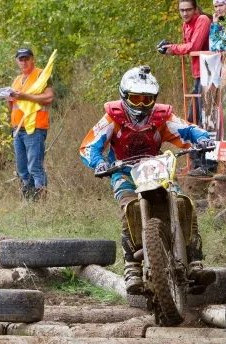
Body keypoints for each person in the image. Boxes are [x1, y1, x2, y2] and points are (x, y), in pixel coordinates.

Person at [80, 65, 215, 294]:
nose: (141, 105)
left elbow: (186, 129)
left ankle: (195, 261)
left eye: (147, 99)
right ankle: (132, 267)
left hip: (157, 169)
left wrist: (201, 138)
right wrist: (99, 163)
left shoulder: (162, 116)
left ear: (154, 99)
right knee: (129, 208)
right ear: (124, 96)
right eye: (136, 98)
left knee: (184, 203)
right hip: (123, 171)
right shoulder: (113, 117)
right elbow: (90, 145)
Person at [161, 0, 217, 177]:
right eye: (181, 10)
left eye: (188, 10)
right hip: (198, 75)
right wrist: (171, 47)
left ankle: (208, 165)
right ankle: (194, 163)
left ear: (195, 9)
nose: (184, 14)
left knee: (206, 120)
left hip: (210, 74)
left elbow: (194, 46)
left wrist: (174, 48)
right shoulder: (186, 24)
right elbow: (188, 47)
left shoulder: (202, 20)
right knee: (192, 119)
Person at [8, 48, 54, 200]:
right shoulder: (16, 80)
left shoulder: (41, 75)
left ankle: (40, 201)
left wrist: (26, 96)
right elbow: (13, 106)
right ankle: (29, 201)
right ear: (17, 61)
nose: (24, 62)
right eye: (21, 59)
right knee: (22, 169)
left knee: (35, 167)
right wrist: (8, 98)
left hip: (35, 128)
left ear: (33, 59)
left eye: (26, 59)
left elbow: (49, 98)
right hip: (17, 129)